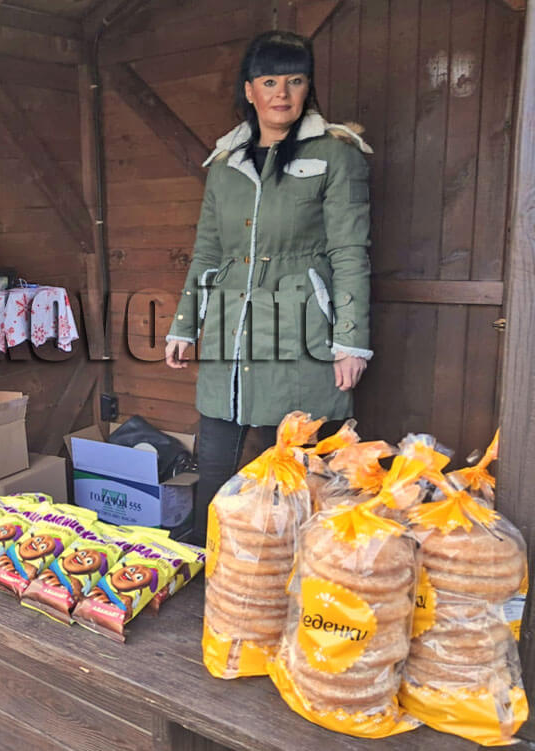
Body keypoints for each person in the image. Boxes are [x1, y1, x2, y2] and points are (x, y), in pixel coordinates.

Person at [164, 31, 373, 545]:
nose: (282, 93)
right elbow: (207, 253)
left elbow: (350, 251)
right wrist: (184, 326)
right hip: (229, 325)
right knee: (216, 458)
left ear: (308, 88)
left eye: (295, 81)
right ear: (250, 90)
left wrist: (350, 341)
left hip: (302, 324)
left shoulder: (335, 154)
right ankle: (211, 557)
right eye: (270, 81)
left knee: (305, 469)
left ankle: (305, 565)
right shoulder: (225, 165)